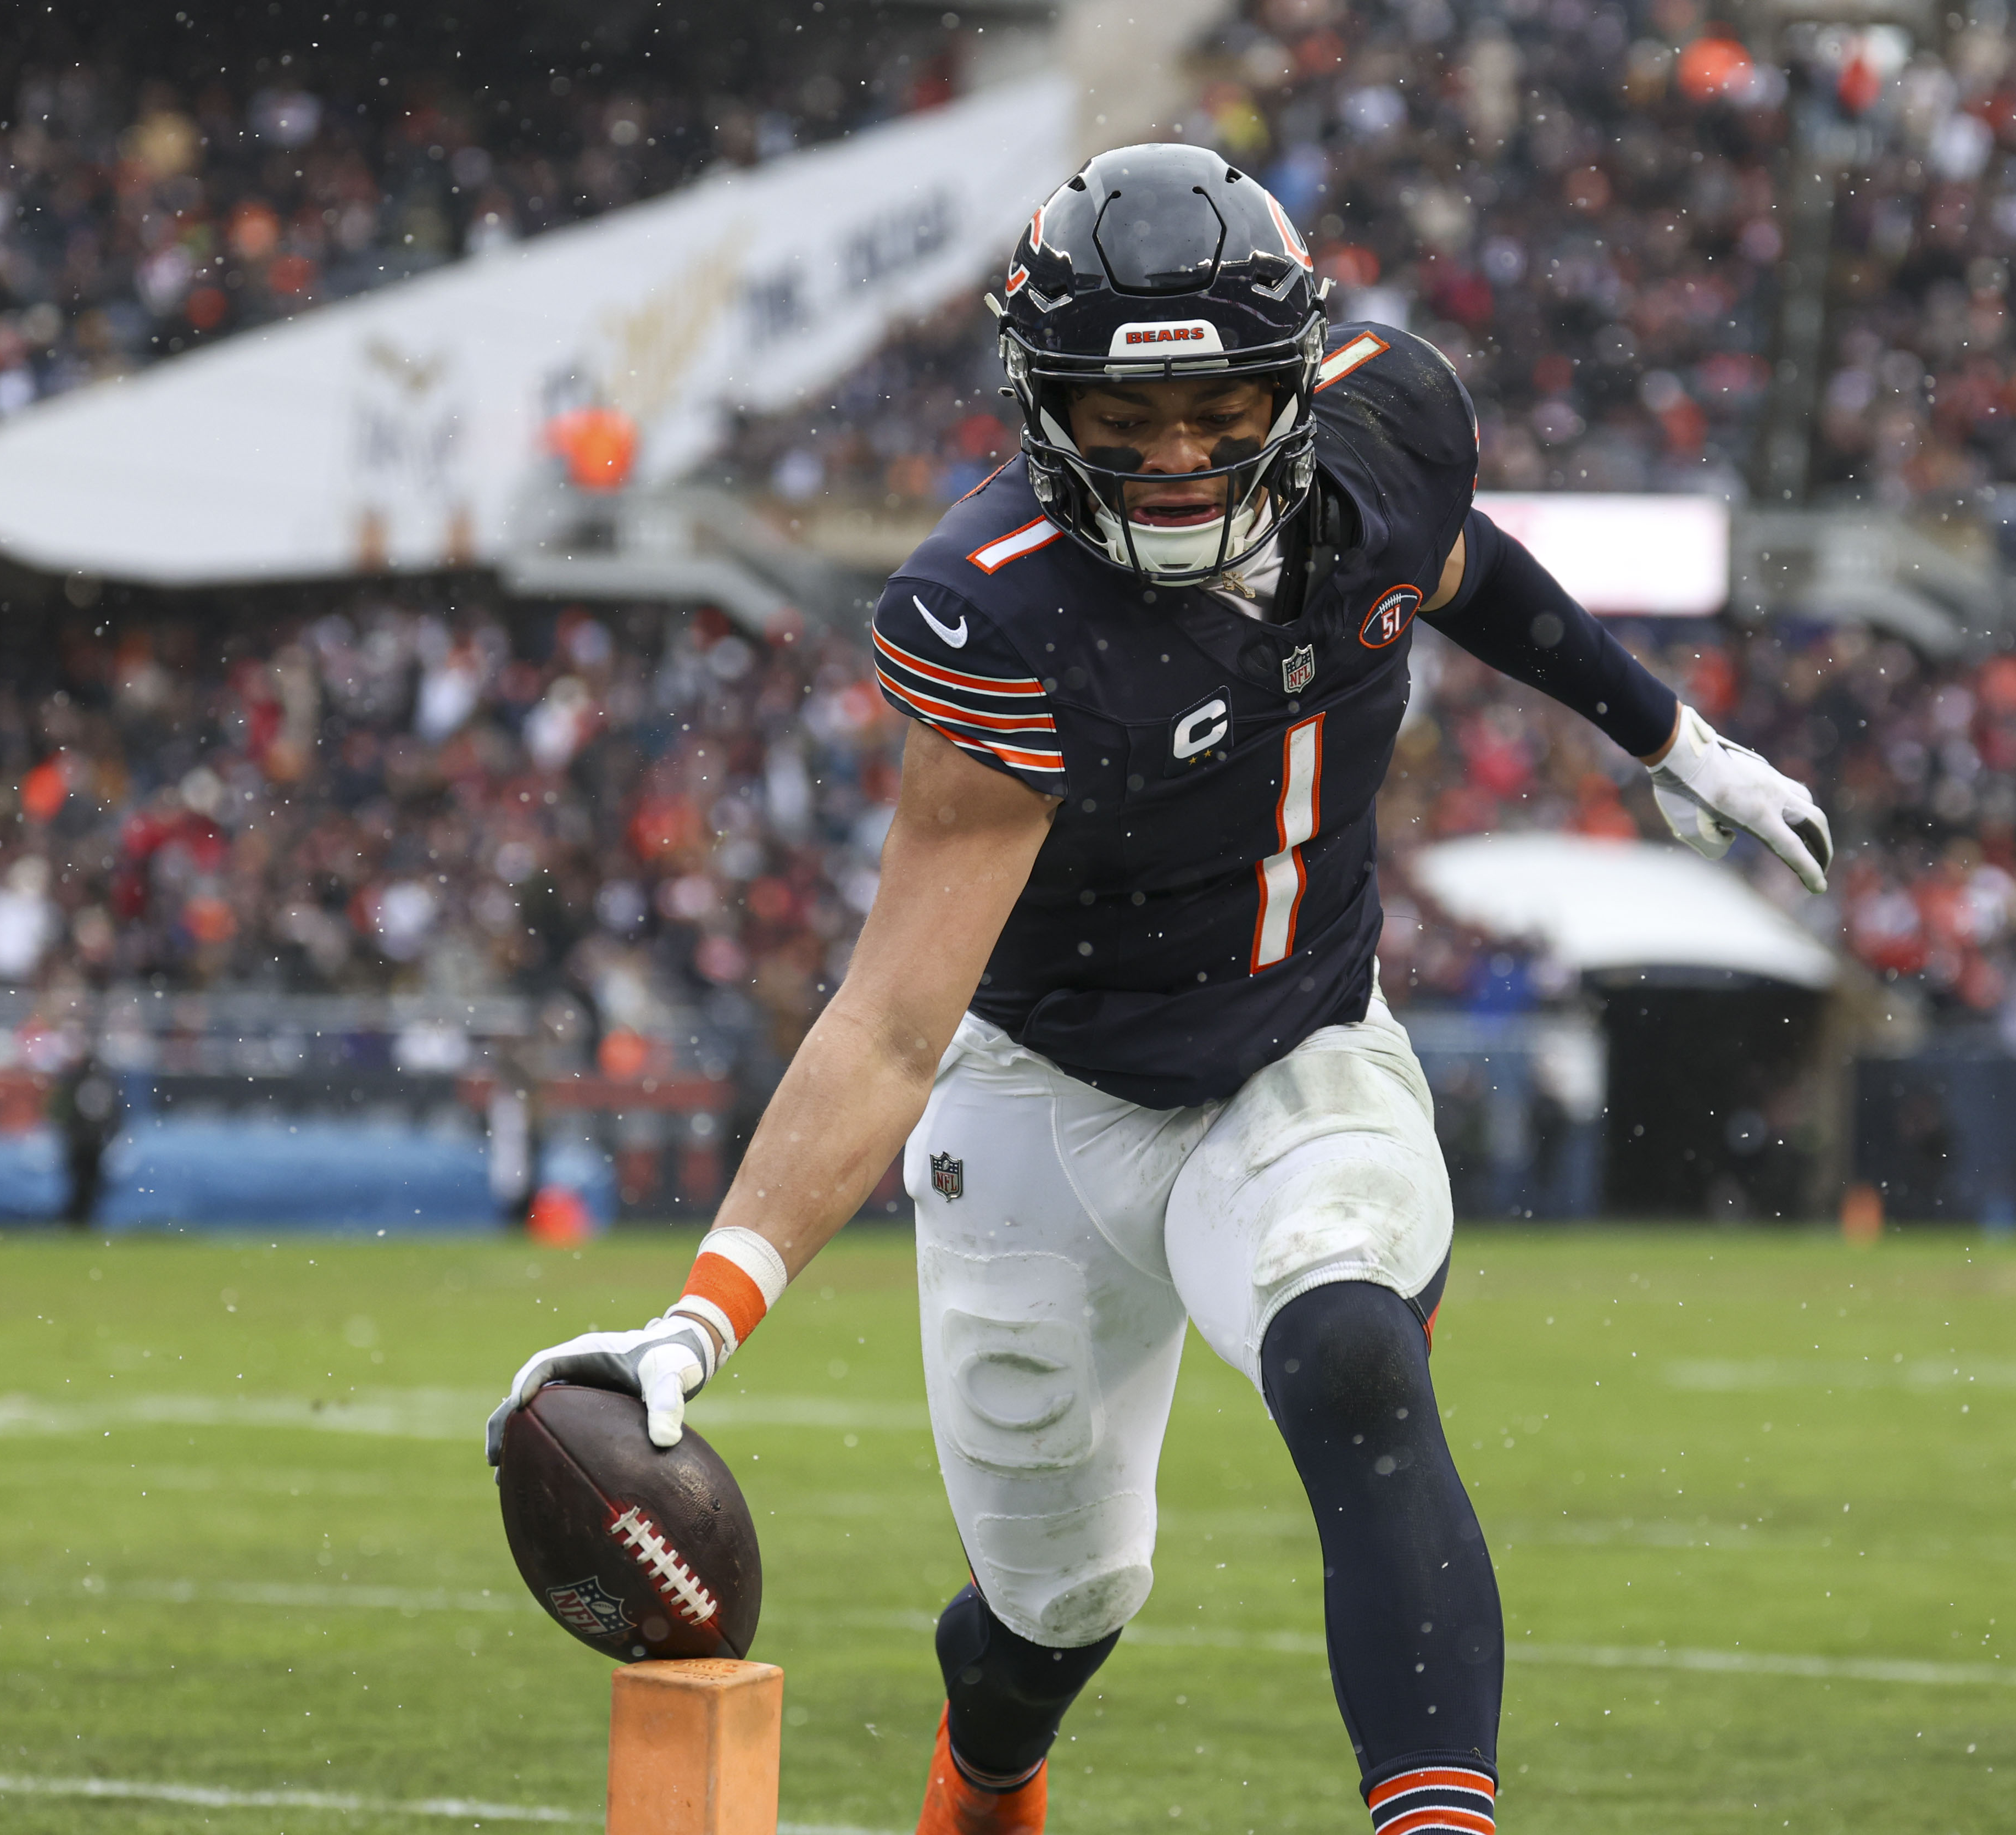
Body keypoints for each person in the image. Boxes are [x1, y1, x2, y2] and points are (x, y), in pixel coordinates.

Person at [486, 144, 1831, 1835]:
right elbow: (896, 1022)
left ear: (1291, 384)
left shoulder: (1389, 430)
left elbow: (1457, 563)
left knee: (1351, 1353)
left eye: (1216, 410)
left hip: (1298, 1051)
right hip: (1046, 1095)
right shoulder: (1003, 614)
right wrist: (706, 1311)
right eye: (1124, 426)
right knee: (1054, 1616)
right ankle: (990, 1761)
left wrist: (1670, 734)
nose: (1178, 458)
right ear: (1044, 410)